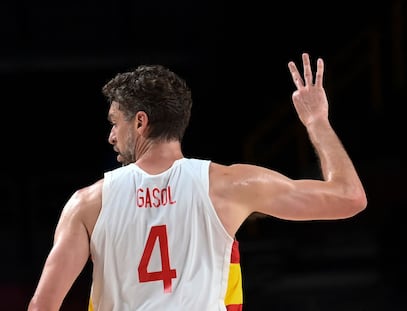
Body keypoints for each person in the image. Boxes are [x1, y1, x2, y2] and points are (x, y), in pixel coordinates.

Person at [27, 52, 367, 311]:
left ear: (140, 123)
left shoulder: (87, 203)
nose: (111, 135)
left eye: (116, 122)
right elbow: (349, 198)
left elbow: (42, 307)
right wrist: (317, 121)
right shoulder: (229, 185)